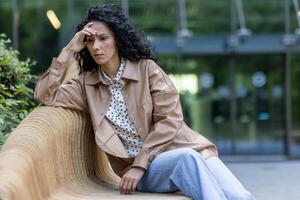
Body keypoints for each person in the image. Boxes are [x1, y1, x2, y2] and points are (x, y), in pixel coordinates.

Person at [34, 4, 255, 200]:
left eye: (103, 38)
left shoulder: (147, 69)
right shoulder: (86, 85)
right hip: (148, 170)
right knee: (186, 159)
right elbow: (45, 94)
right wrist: (69, 49)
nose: (96, 46)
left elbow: (170, 119)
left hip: (186, 150)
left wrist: (140, 162)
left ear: (117, 40)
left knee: (240, 196)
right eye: (89, 41)